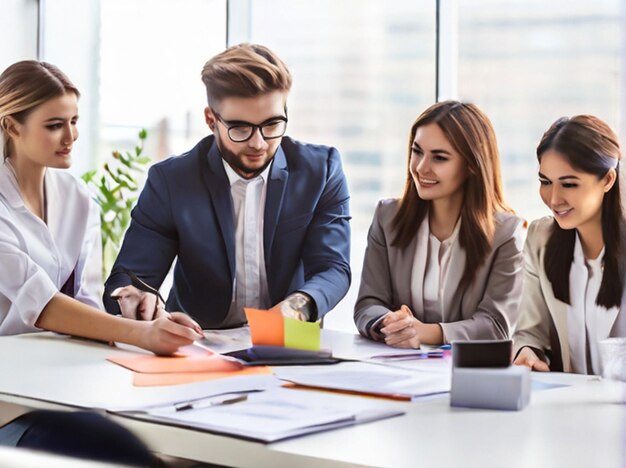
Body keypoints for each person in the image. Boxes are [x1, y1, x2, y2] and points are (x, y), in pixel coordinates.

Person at [103, 43, 351, 327]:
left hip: (289, 341)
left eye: (272, 125)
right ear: (211, 120)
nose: (258, 143)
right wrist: (136, 297)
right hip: (196, 342)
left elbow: (333, 268)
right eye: (241, 129)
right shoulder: (171, 181)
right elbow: (130, 275)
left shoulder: (320, 171)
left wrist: (296, 307)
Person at [0, 60, 203, 354]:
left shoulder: (78, 199)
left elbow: (88, 304)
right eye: (55, 125)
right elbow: (41, 304)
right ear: (11, 126)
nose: (71, 137)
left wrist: (153, 317)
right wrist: (142, 334)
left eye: (74, 121)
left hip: (65, 361)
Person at [354, 100, 525, 348]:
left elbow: (496, 325)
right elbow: (368, 304)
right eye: (417, 151)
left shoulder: (506, 233)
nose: (421, 168)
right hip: (396, 364)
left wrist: (426, 333)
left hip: (466, 374)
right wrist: (390, 323)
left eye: (439, 158)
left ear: (471, 165)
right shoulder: (387, 217)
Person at [513, 115, 626, 374]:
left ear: (608, 180)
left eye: (569, 184)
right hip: (567, 404)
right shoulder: (541, 238)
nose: (554, 199)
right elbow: (529, 331)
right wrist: (527, 351)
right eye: (545, 182)